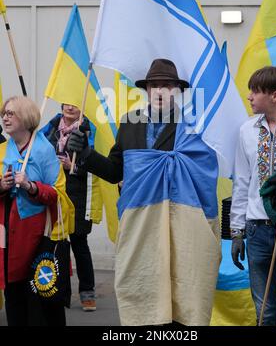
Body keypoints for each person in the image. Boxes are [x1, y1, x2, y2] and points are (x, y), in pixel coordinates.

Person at [67, 58, 221, 326]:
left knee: (181, 289)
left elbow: (204, 171)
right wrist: (86, 153)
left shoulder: (194, 127)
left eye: (167, 86)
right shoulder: (130, 124)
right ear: (147, 90)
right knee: (143, 286)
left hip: (180, 222)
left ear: (178, 91)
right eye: (154, 86)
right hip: (141, 222)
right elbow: (116, 171)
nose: (160, 91)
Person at [230, 66, 276, 326]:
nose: (249, 97)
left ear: (275, 96)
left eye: (255, 91)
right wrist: (237, 231)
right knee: (264, 313)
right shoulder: (246, 130)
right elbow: (241, 182)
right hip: (257, 230)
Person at [0, 96, 74, 326]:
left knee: (38, 299)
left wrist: (32, 186)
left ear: (27, 117)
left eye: (11, 113)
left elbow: (58, 194)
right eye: (4, 113)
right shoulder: (2, 149)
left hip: (36, 235)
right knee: (13, 294)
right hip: (7, 233)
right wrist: (2, 186)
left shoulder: (43, 150)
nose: (5, 117)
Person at [41, 104, 96, 311]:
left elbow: (95, 163)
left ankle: (87, 293)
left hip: (78, 192)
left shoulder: (88, 130)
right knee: (56, 243)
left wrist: (72, 166)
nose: (70, 107)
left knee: (79, 243)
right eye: (66, 103)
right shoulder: (51, 127)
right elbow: (37, 148)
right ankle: (62, 292)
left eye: (75, 103)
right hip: (55, 190)